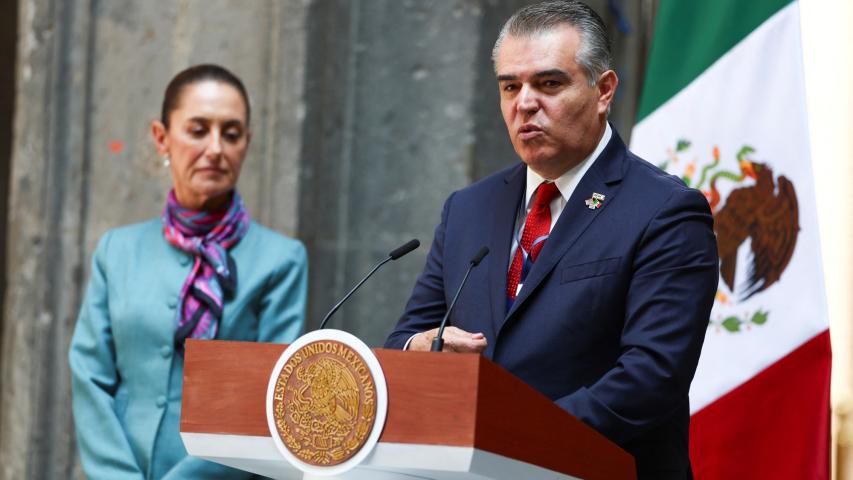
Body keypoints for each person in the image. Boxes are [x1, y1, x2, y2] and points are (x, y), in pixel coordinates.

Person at [385, 2, 718, 478]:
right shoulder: (468, 209)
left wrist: (512, 439)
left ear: (603, 91)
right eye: (510, 86)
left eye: (548, 84)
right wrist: (421, 349)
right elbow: (402, 341)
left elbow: (650, 377)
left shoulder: (665, 211)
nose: (524, 103)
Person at [69, 64, 307, 479]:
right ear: (162, 138)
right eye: (198, 130)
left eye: (231, 134)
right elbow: (89, 376)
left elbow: (268, 399)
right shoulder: (118, 250)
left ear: (247, 144)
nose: (215, 148)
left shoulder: (280, 260)